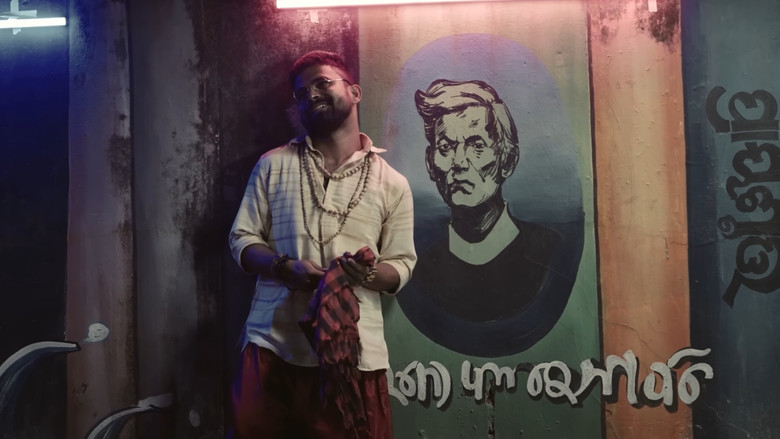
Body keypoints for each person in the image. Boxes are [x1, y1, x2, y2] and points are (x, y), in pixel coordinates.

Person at [228, 50, 416, 439]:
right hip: (272, 346)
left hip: (354, 356)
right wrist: (284, 267)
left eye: (322, 83)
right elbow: (242, 239)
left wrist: (363, 274)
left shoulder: (392, 183)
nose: (311, 95)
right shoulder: (273, 164)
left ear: (355, 92)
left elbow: (401, 265)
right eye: (301, 93)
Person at [397, 79, 570, 357]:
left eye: (476, 145)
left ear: (507, 160)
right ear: (430, 162)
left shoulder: (551, 253)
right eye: (446, 147)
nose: (459, 162)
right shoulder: (419, 266)